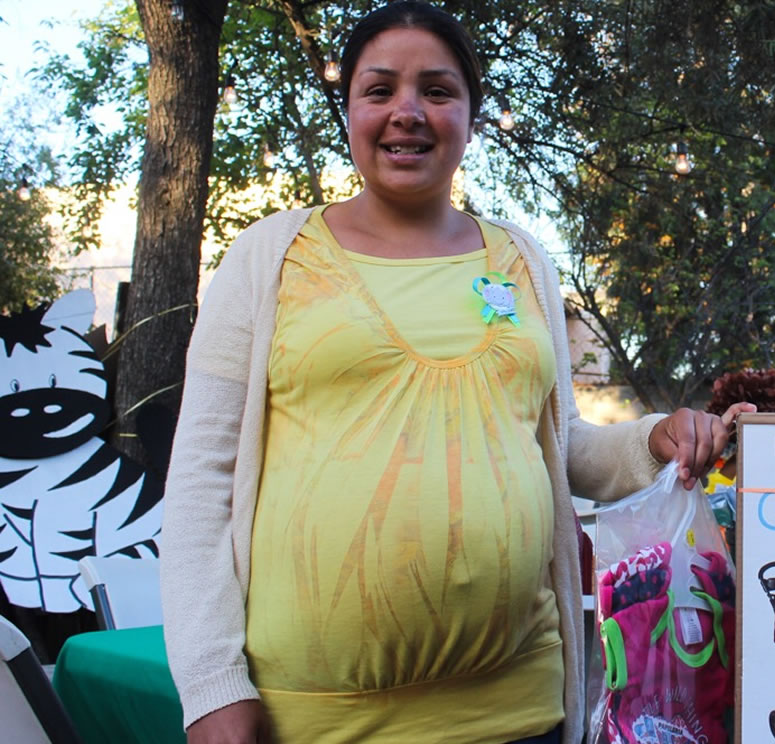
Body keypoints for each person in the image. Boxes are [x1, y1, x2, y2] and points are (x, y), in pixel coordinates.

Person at [159, 5, 731, 744]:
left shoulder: (520, 259)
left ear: (469, 116)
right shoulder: (268, 258)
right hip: (313, 716)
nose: (408, 111)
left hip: (519, 711)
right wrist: (210, 684)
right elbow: (201, 479)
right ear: (349, 111)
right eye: (379, 90)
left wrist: (654, 440)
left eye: (436, 90)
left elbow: (558, 446)